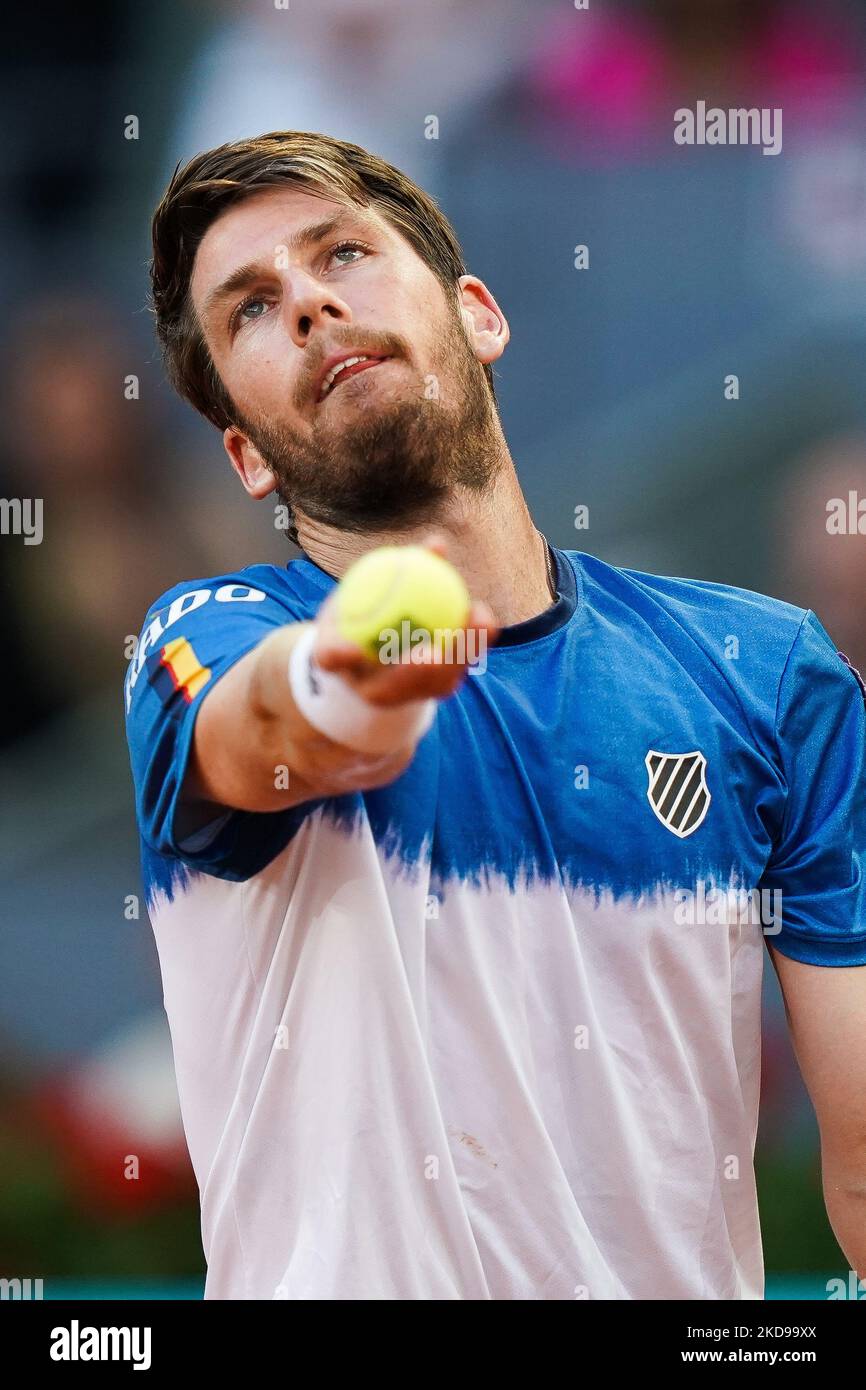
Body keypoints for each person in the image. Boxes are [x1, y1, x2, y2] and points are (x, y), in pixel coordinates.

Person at [126, 131, 866, 1300]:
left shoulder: (764, 670)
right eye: (252, 311)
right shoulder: (204, 637)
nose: (311, 303)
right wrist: (355, 677)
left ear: (476, 314)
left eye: (343, 256)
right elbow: (268, 725)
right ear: (245, 458)